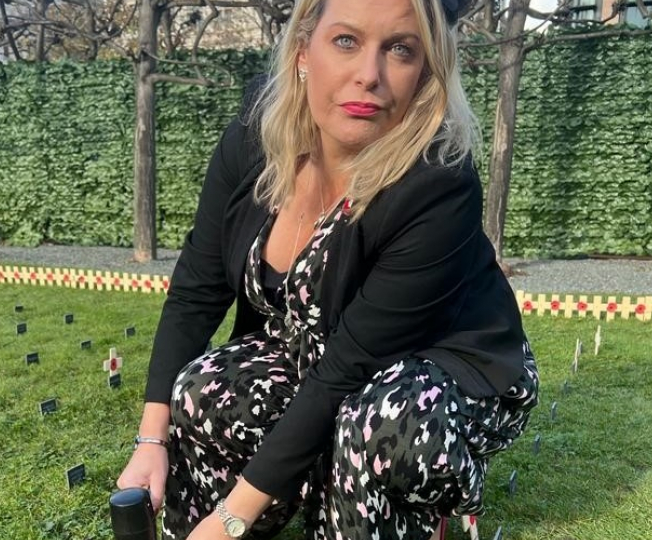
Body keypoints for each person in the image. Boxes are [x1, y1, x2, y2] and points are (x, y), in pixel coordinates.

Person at [116, 0, 539, 538]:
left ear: (426, 72)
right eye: (346, 41)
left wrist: (230, 518)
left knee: (379, 424)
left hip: (445, 367)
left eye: (401, 50)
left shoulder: (438, 183)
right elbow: (196, 290)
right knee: (202, 391)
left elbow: (349, 368)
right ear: (302, 51)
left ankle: (396, 499)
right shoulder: (254, 134)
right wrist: (151, 441)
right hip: (318, 354)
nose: (369, 75)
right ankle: (296, 485)